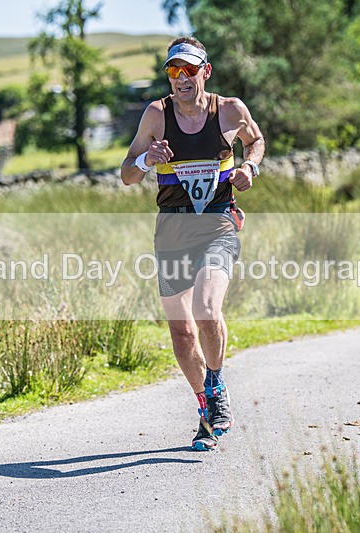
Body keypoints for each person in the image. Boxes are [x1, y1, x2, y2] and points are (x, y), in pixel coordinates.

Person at [120, 37, 265, 451]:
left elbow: (255, 140)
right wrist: (149, 159)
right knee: (182, 333)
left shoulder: (230, 110)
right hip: (171, 231)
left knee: (206, 308)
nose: (181, 78)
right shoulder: (156, 115)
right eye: (173, 71)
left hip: (217, 224)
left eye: (189, 70)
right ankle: (205, 406)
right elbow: (127, 173)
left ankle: (217, 388)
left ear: (206, 71)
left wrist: (250, 166)